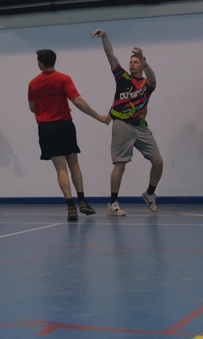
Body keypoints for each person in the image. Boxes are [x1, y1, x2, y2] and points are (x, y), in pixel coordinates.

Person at [28, 49, 111, 222]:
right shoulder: (63, 79)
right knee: (73, 164)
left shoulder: (33, 83)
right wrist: (99, 117)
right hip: (64, 125)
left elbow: (32, 108)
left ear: (41, 63)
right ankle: (82, 202)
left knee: (60, 169)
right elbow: (78, 101)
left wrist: (46, 106)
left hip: (46, 128)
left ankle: (70, 207)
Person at [90, 29, 162, 216]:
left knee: (158, 161)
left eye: (135, 62)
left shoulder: (147, 84)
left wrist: (144, 60)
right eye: (131, 61)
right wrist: (104, 37)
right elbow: (110, 55)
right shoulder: (122, 77)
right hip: (122, 124)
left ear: (142, 64)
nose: (132, 63)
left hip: (141, 126)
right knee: (120, 164)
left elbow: (154, 79)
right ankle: (112, 203)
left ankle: (149, 193)